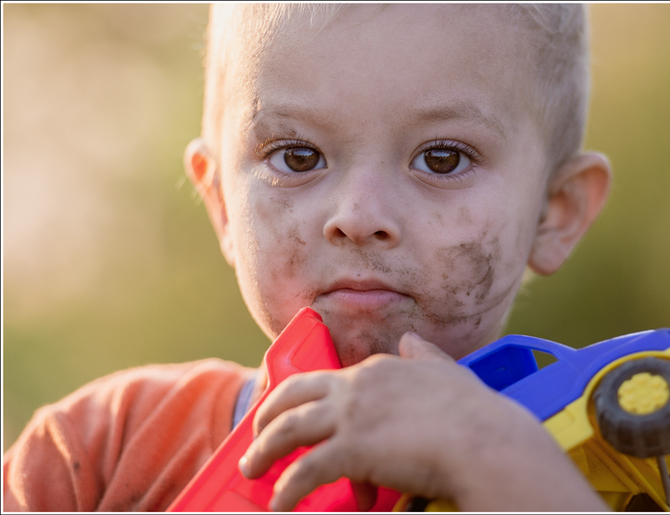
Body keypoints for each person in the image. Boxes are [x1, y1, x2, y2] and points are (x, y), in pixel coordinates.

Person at [3, 4, 612, 511]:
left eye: (442, 158)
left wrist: (498, 459)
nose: (359, 215)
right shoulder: (103, 448)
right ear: (219, 203)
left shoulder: (630, 455)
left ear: (553, 212)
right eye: (297, 157)